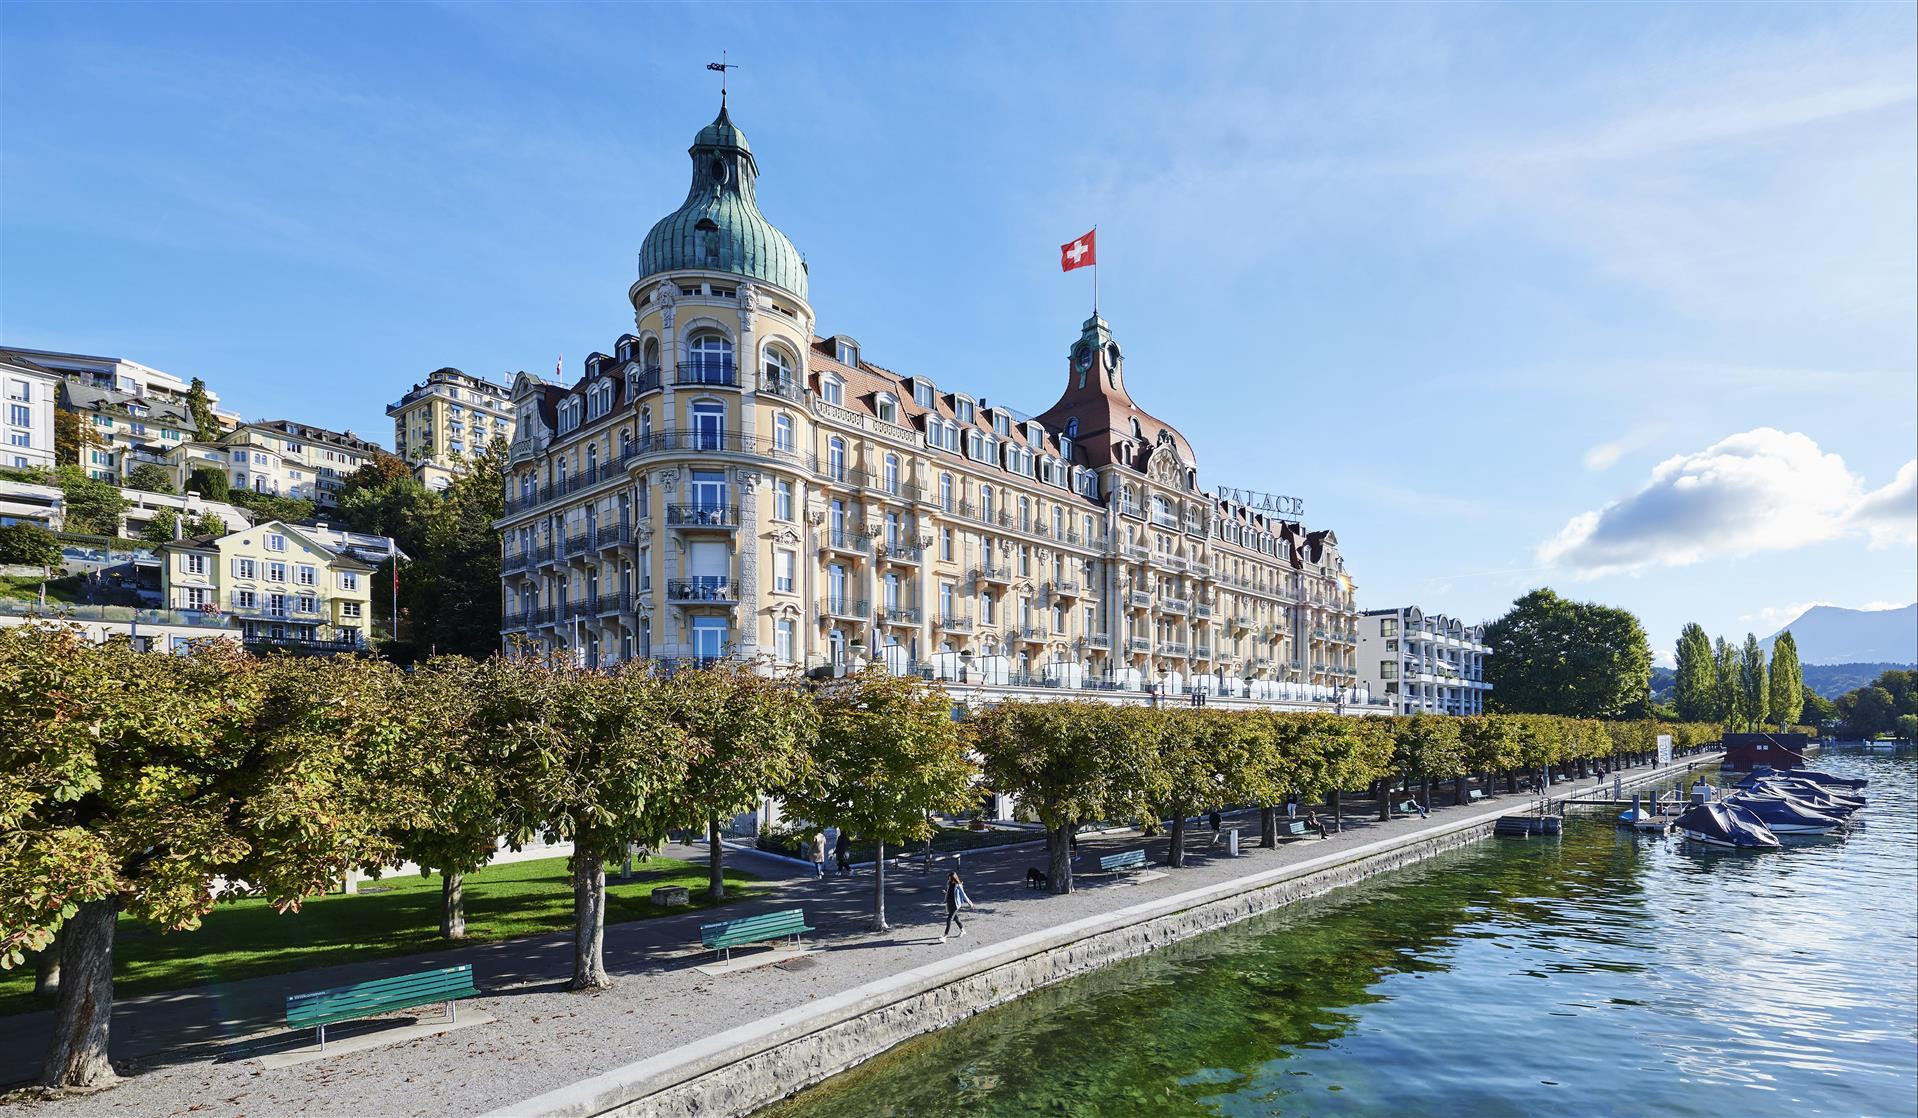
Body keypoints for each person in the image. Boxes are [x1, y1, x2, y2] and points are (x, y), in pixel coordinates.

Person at [940, 871, 972, 942]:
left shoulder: (958, 885)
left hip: (955, 904)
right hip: (949, 903)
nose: (949, 879)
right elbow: (949, 892)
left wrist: (969, 902)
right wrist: (945, 898)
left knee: (949, 919)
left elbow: (963, 894)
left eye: (950, 878)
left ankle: (945, 937)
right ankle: (963, 930)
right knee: (956, 918)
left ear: (953, 878)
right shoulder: (949, 883)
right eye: (948, 878)